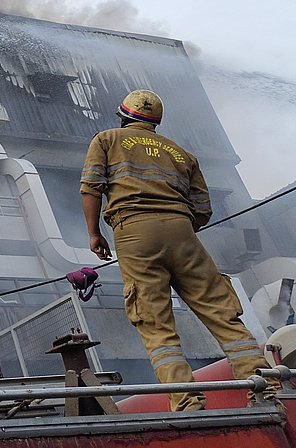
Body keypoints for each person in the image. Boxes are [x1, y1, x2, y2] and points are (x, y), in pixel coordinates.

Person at [80, 89, 279, 411]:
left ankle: (187, 403)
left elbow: (91, 187)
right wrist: (178, 228)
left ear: (124, 115)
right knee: (221, 313)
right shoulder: (182, 154)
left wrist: (94, 234)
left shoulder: (107, 139)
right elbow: (203, 209)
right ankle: (265, 388)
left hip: (133, 232)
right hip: (183, 232)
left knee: (155, 322)